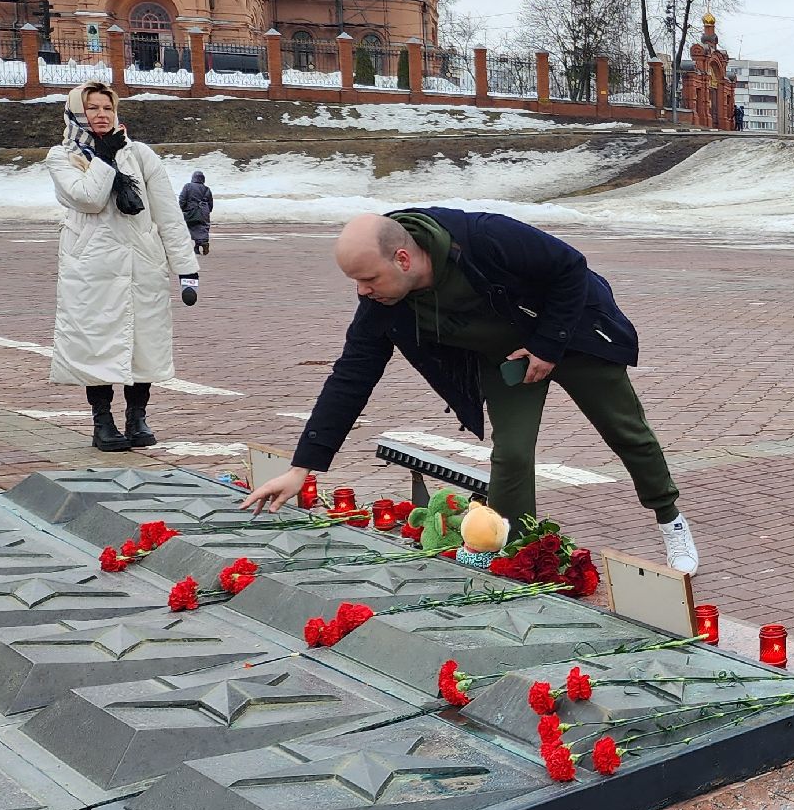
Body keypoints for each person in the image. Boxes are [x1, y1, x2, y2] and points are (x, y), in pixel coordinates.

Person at [239, 210, 702, 573]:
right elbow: (350, 378)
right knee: (513, 453)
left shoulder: (481, 236)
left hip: (570, 334)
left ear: (402, 259)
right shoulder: (382, 304)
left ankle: (670, 519)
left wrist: (547, 346)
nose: (362, 292)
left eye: (369, 279)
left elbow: (570, 267)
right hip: (505, 358)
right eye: (355, 282)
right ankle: (522, 553)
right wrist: (301, 468)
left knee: (626, 432)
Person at [45, 81, 201, 453]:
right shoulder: (63, 157)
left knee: (142, 343)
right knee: (96, 344)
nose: (101, 115)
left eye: (107, 108)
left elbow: (166, 211)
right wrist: (104, 158)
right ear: (77, 113)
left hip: (140, 263)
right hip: (90, 269)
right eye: (92, 108)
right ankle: (103, 423)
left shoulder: (140, 155)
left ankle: (137, 418)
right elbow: (89, 198)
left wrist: (185, 267)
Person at [179, 171, 214, 256]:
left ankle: (197, 246)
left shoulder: (188, 186)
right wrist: (207, 210)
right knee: (203, 228)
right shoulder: (207, 189)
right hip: (204, 211)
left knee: (193, 228)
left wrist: (182, 208)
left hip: (192, 210)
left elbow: (182, 199)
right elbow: (210, 202)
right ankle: (202, 244)